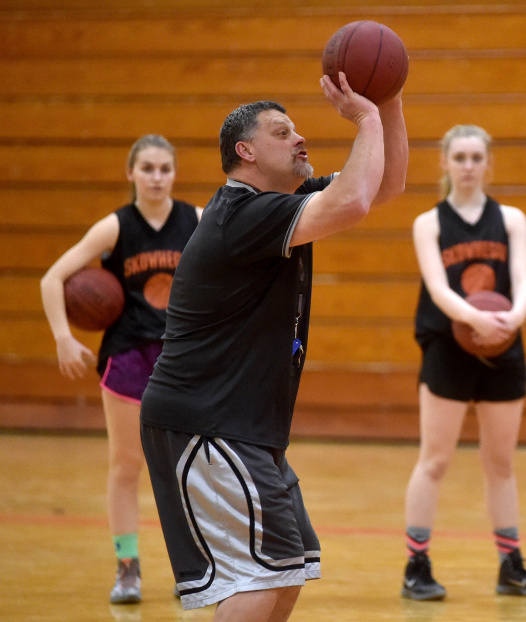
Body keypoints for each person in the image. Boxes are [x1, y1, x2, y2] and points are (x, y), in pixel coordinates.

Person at [138, 73, 407, 621]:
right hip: (207, 424)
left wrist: (390, 100)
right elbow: (353, 202)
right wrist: (367, 119)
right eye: (283, 132)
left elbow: (384, 186)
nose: (300, 138)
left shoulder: (278, 204)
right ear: (246, 151)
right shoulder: (243, 214)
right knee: (261, 578)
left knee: (286, 572)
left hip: (241, 427)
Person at [39, 135, 201, 605]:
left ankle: (191, 564)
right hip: (128, 356)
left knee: (184, 466)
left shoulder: (196, 220)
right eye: (147, 168)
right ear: (130, 173)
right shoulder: (116, 227)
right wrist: (63, 337)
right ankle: (127, 567)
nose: (156, 176)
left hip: (180, 359)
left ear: (174, 173)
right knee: (127, 465)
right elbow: (53, 278)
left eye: (165, 168)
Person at [401, 124, 526, 601]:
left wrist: (512, 319)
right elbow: (437, 287)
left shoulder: (511, 219)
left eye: (475, 158)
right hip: (448, 345)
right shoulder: (429, 223)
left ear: (488, 164)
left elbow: (524, 280)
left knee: (501, 462)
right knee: (436, 459)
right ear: (444, 163)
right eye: (459, 157)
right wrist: (475, 320)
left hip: (502, 343)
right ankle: (416, 566)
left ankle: (510, 565)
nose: (468, 166)